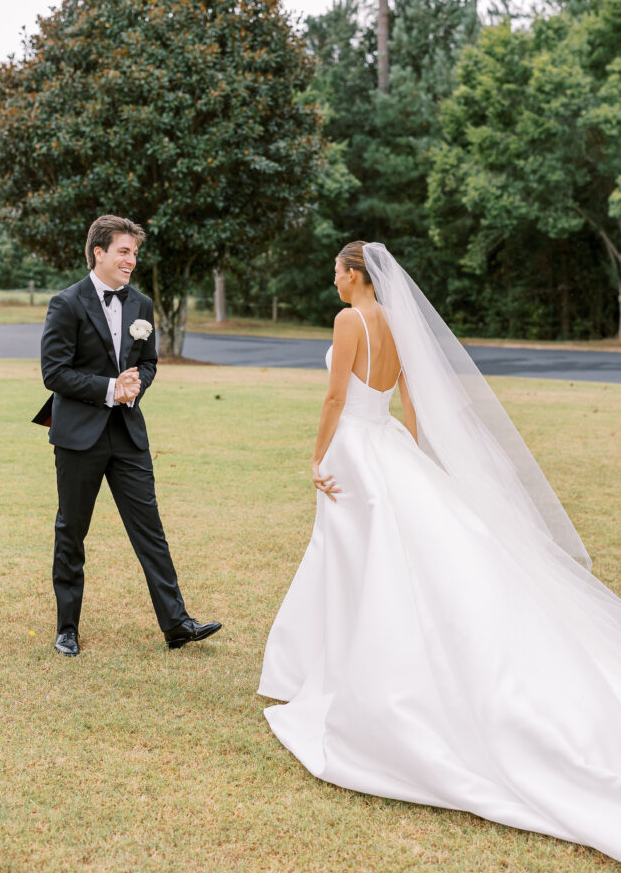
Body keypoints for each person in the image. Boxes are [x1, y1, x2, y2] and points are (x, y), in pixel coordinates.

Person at [259, 241, 621, 862]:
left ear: (355, 275)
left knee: (357, 564)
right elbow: (411, 400)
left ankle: (350, 668)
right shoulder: (398, 324)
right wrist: (418, 456)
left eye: (337, 274)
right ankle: (321, 661)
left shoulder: (351, 320)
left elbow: (336, 398)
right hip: (390, 445)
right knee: (370, 558)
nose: (334, 285)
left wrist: (316, 456)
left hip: (354, 449)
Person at [33, 214, 221, 656]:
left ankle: (177, 625)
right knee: (72, 530)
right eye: (123, 251)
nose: (131, 260)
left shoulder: (142, 305)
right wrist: (108, 389)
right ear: (98, 252)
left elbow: (149, 360)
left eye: (135, 253)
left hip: (128, 434)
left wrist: (135, 387)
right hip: (79, 435)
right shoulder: (66, 303)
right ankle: (67, 628)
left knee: (150, 530)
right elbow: (54, 373)